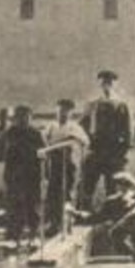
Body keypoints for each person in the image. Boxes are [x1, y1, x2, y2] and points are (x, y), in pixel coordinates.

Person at [80, 70, 132, 209]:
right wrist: (85, 142)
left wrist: (123, 151)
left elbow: (127, 129)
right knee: (87, 183)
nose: (107, 85)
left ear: (115, 84)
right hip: (95, 150)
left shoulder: (121, 105)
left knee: (113, 186)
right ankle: (84, 213)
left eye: (110, 83)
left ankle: (111, 215)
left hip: (113, 152)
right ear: (99, 85)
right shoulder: (92, 104)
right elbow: (82, 125)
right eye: (104, 83)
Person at [42, 99, 89, 236]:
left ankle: (66, 222)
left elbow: (85, 141)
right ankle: (53, 223)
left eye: (65, 111)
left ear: (70, 113)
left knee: (66, 192)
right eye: (59, 111)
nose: (61, 114)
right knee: (53, 193)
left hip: (69, 163)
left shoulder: (74, 127)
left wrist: (72, 140)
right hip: (54, 163)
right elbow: (44, 140)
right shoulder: (51, 126)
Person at [1, 106, 45, 244]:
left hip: (32, 174)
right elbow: (1, 148)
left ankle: (33, 235)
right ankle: (14, 237)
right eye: (20, 117)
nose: (23, 120)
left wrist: (44, 176)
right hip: (15, 174)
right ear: (16, 118)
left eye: (26, 117)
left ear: (30, 118)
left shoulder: (36, 134)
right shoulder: (10, 133)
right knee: (14, 207)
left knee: (32, 206)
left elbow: (44, 154)